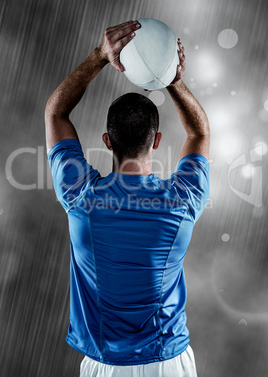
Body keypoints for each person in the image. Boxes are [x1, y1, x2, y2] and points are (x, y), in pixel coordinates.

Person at [45, 20, 210, 377]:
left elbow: (56, 113)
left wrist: (101, 56)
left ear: (107, 140)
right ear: (157, 141)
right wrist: (172, 78)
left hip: (106, 365)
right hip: (170, 362)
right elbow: (199, 131)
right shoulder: (183, 200)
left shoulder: (81, 197)